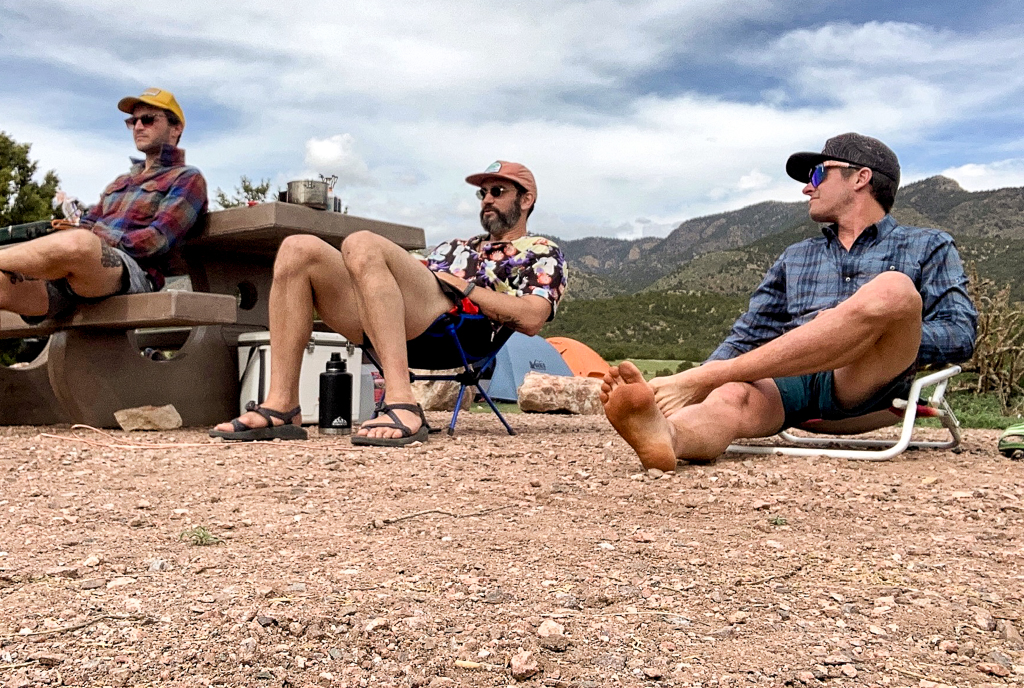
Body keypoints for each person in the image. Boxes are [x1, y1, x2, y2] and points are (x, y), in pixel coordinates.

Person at [601, 133, 977, 471]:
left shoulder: (928, 245)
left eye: (817, 175)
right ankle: (669, 436)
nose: (806, 189)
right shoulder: (795, 256)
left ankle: (700, 379)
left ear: (860, 178)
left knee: (893, 289)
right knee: (731, 394)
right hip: (790, 380)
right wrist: (700, 387)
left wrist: (863, 329)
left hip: (868, 380)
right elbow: (748, 334)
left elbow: (960, 334)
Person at [0, 88, 208, 437]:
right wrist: (78, 236)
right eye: (132, 120)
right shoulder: (120, 183)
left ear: (176, 128)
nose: (137, 126)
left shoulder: (187, 179)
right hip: (72, 277)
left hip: (130, 274)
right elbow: (84, 225)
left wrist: (89, 238)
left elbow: (155, 242)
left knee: (77, 242)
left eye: (148, 119)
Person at [210, 160, 567, 446]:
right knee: (296, 248)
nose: (487, 199)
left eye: (498, 191)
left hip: (457, 330)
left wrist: (463, 286)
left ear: (526, 199)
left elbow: (533, 318)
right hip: (395, 321)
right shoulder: (458, 245)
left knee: (362, 242)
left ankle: (401, 400)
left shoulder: (542, 252)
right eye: (483, 193)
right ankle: (282, 405)